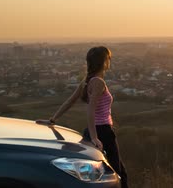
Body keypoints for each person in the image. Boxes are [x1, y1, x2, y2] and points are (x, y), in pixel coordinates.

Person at [39, 46, 128, 187]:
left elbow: (70, 101)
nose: (110, 61)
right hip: (102, 132)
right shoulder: (98, 83)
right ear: (104, 61)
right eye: (108, 58)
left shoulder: (87, 81)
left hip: (93, 131)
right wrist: (94, 138)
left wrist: (52, 119)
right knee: (117, 174)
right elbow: (91, 110)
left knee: (110, 171)